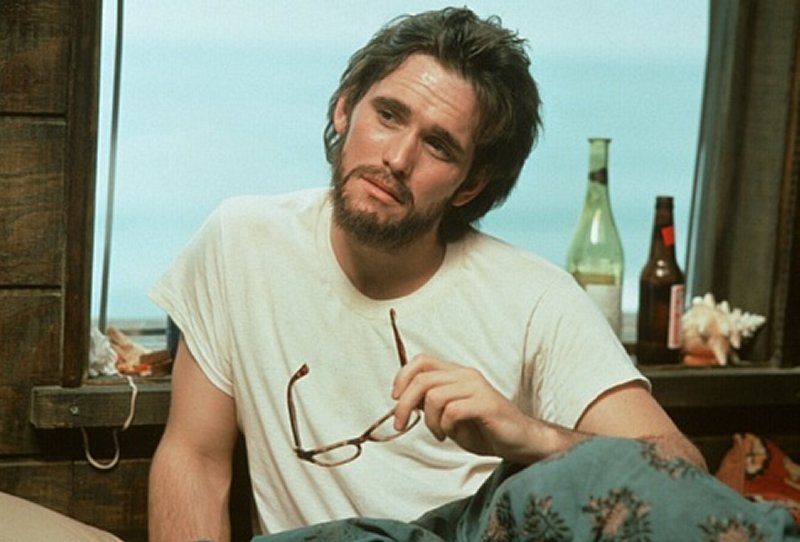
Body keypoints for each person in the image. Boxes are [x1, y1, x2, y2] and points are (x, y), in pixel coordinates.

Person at [147, 7, 799, 542]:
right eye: (388, 115)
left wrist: (527, 436)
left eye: (438, 145)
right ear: (345, 109)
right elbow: (194, 461)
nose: (397, 158)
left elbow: (676, 471)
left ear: (470, 185)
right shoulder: (241, 240)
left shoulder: (535, 297)